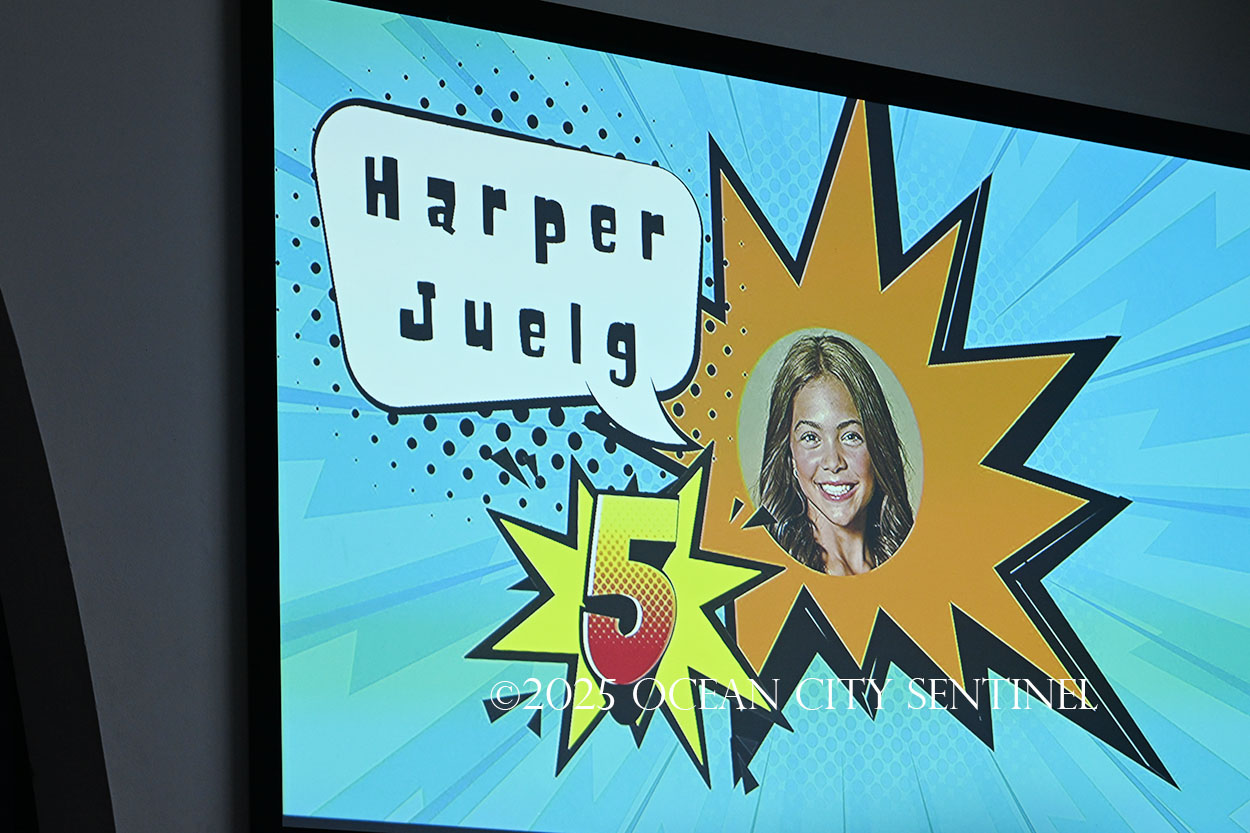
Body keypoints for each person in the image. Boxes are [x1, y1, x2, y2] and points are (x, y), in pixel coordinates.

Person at [758, 334, 913, 575]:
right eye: (811, 438)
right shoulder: (773, 574)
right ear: (790, 456)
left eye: (851, 436)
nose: (833, 462)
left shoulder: (913, 567)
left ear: (877, 446)